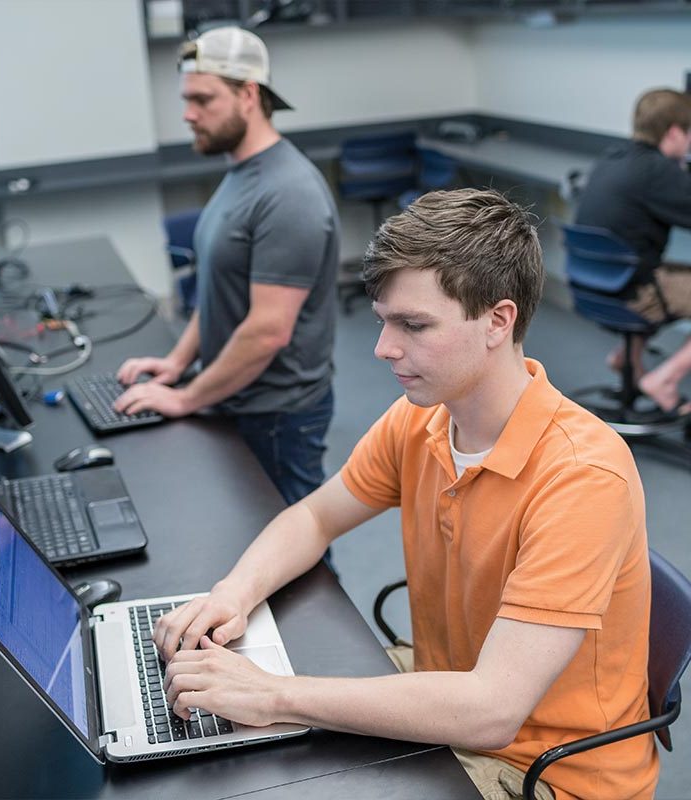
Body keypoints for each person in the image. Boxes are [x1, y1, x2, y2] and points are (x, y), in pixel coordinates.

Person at [152, 189, 658, 800]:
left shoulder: (581, 476)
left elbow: (492, 709)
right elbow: (315, 517)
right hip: (451, 697)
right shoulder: (423, 419)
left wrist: (274, 695)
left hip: (546, 769)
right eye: (384, 320)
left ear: (498, 320)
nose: (384, 348)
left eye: (413, 325)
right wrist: (233, 594)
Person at [115, 27, 339, 507]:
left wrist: (184, 397)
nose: (188, 114)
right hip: (239, 396)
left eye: (203, 99)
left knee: (300, 565)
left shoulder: (288, 193)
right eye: (186, 99)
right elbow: (221, 287)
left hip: (277, 415)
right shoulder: (242, 173)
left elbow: (267, 331)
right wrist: (177, 363)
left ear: (248, 95)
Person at [575, 87, 691, 415]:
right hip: (628, 292)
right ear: (673, 132)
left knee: (650, 264)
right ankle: (664, 381)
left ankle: (627, 358)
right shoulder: (660, 172)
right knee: (655, 273)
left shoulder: (612, 158)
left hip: (589, 285)